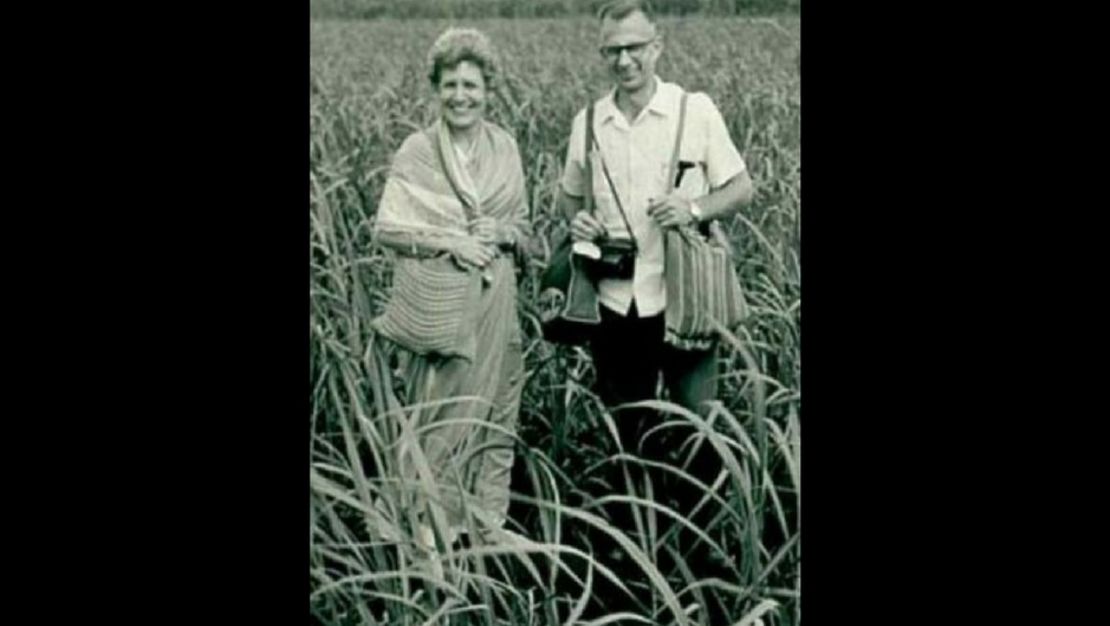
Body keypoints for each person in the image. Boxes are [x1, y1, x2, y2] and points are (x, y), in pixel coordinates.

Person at [557, 0, 755, 587]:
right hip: (619, 303)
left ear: (657, 47)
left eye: (634, 47)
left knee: (699, 430)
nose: (624, 60)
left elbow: (741, 187)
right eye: (612, 50)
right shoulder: (589, 122)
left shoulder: (694, 112)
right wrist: (580, 222)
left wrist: (691, 207)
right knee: (628, 432)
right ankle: (635, 558)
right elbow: (569, 197)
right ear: (602, 55)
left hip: (688, 300)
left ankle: (701, 556)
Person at [371, 27, 532, 549]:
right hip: (443, 310)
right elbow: (388, 228)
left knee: (494, 414)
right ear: (435, 89)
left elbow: (527, 232)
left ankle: (483, 527)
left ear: (489, 88)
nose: (461, 95)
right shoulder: (418, 151)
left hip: (497, 305)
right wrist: (452, 241)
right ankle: (418, 533)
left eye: (472, 84)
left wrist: (503, 232)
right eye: (450, 84)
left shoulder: (505, 147)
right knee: (439, 414)